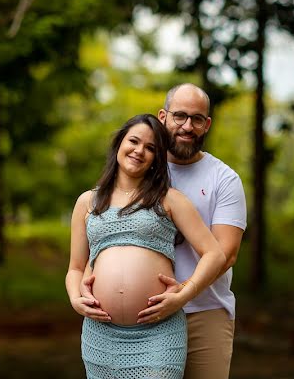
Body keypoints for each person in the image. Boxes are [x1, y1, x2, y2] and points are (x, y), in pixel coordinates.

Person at [83, 84, 247, 379]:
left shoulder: (223, 178)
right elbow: (107, 236)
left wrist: (182, 294)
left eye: (197, 119)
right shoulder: (139, 166)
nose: (187, 126)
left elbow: (226, 252)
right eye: (180, 116)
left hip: (202, 309)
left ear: (206, 124)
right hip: (127, 322)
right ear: (163, 116)